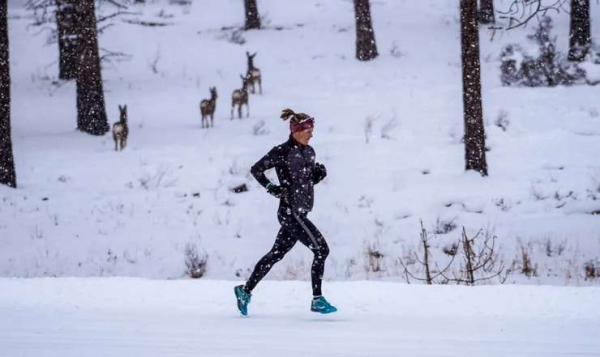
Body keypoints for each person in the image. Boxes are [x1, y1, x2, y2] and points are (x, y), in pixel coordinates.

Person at [234, 108, 337, 316]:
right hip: (290, 212)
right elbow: (256, 169)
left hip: (301, 212)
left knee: (276, 255)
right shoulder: (282, 151)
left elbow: (305, 182)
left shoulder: (309, 152)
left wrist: (318, 176)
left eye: (312, 130)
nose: (312, 134)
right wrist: (272, 188)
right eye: (308, 130)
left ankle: (244, 291)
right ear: (296, 131)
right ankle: (317, 299)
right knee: (321, 250)